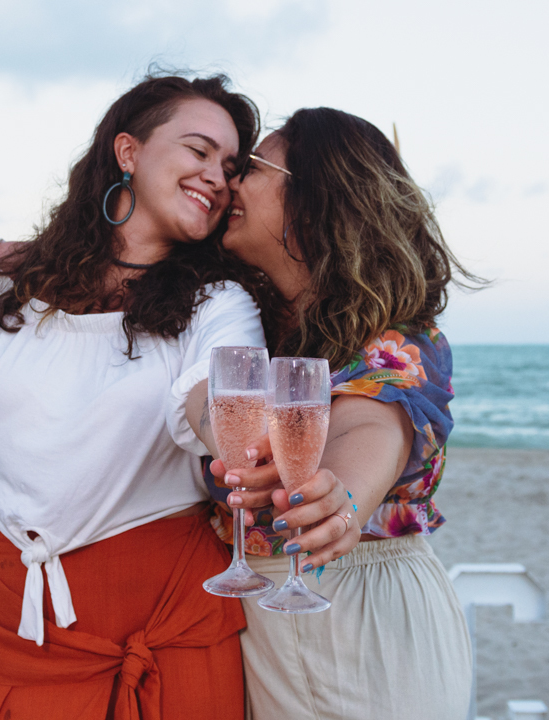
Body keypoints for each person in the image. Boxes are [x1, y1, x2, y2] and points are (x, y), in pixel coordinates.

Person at [0, 74, 267, 719]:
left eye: (229, 165)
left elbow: (214, 394)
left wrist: (238, 433)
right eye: (198, 150)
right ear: (128, 152)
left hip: (156, 630)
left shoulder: (218, 303)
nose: (217, 175)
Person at [188, 107, 478, 719]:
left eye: (255, 167)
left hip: (363, 621)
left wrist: (339, 496)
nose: (231, 183)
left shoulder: (400, 341)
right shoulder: (256, 334)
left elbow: (372, 424)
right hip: (265, 632)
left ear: (316, 200)